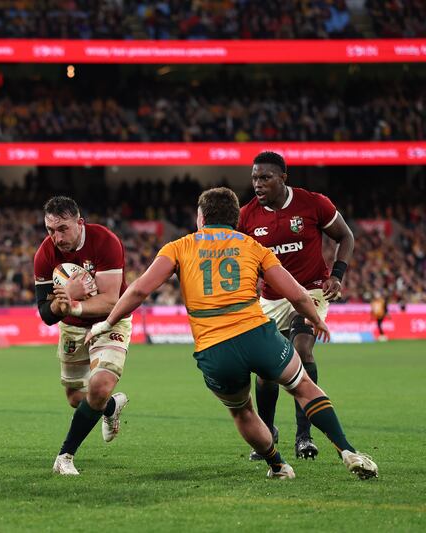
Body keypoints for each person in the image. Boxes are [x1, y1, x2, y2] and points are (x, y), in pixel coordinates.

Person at [88, 187, 377, 480]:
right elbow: (298, 295)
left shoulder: (178, 247)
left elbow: (138, 290)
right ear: (236, 218)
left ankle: (277, 465)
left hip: (215, 348)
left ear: (201, 217)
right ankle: (348, 451)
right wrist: (318, 320)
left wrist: (108, 322)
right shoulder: (253, 246)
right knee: (303, 386)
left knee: (243, 412)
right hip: (257, 335)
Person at [238, 151, 355, 461]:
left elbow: (345, 236)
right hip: (270, 298)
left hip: (311, 290)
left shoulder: (313, 203)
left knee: (301, 352)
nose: (258, 184)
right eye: (254, 178)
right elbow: (239, 259)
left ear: (283, 178)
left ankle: (304, 437)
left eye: (265, 177)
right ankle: (268, 433)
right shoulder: (247, 215)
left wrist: (337, 276)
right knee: (265, 371)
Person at [33, 196, 131, 476]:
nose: (56, 237)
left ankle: (65, 456)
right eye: (50, 230)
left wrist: (73, 303)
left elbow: (112, 300)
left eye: (62, 228)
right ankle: (112, 406)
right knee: (77, 397)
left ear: (79, 222)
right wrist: (63, 303)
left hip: (111, 322)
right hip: (73, 327)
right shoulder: (45, 254)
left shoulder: (105, 242)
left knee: (98, 387)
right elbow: (46, 314)